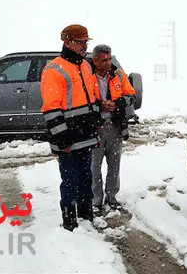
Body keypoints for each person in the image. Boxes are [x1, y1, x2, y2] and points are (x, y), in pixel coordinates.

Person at [40, 24, 102, 231]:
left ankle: (86, 215)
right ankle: (70, 221)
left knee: (87, 176)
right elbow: (51, 107)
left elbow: (90, 98)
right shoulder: (53, 69)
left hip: (85, 134)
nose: (85, 46)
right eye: (80, 42)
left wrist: (96, 120)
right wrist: (61, 135)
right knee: (69, 180)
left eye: (86, 42)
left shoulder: (85, 66)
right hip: (67, 136)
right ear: (67, 42)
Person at [89, 44, 136, 215]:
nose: (108, 63)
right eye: (104, 60)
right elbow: (82, 100)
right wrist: (100, 104)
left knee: (114, 165)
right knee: (94, 166)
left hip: (115, 126)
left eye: (109, 59)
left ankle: (112, 197)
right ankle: (95, 200)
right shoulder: (86, 76)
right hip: (95, 128)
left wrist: (118, 104)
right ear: (95, 60)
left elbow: (131, 94)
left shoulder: (118, 74)